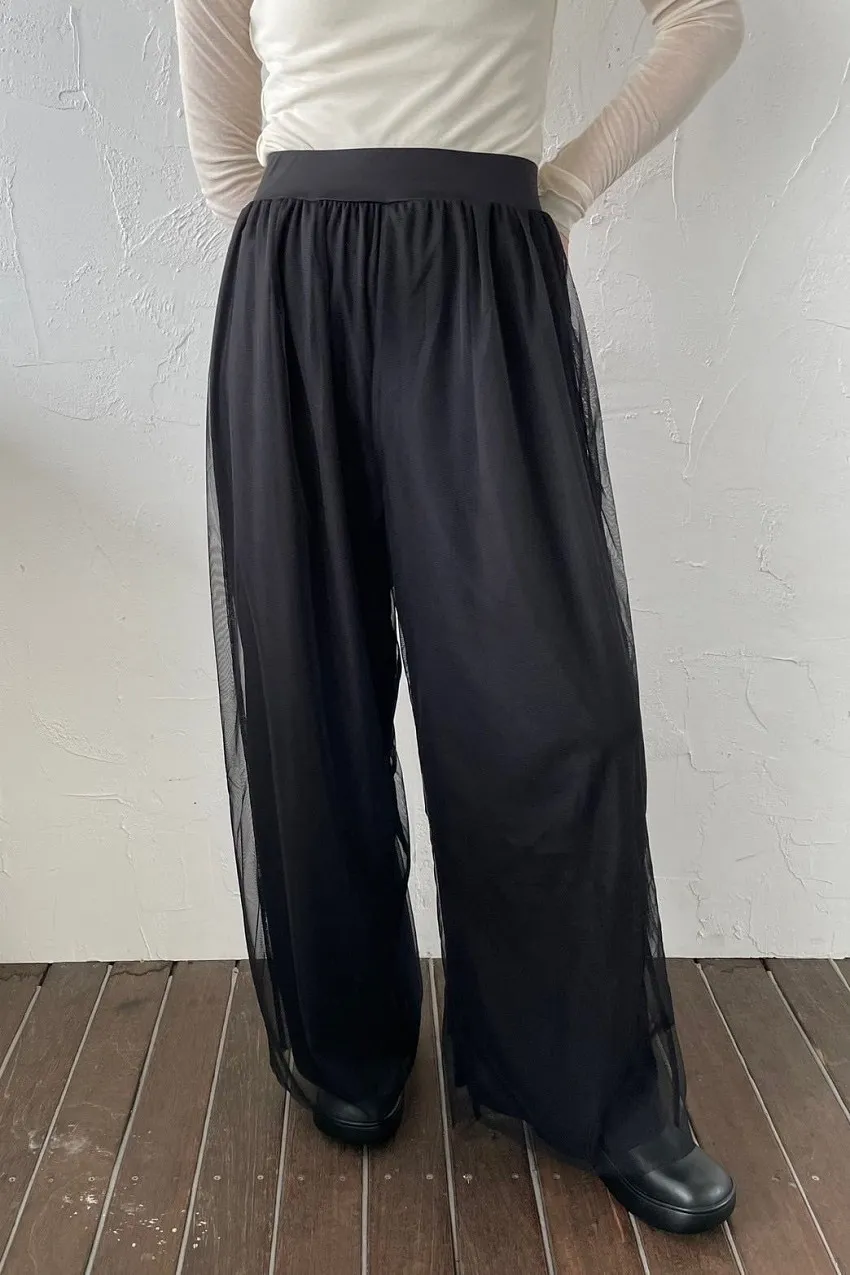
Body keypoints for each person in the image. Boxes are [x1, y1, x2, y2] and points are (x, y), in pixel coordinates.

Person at [175, 0, 744, 1236]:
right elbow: (224, 152)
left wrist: (563, 190)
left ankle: (590, 1083)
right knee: (307, 684)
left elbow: (705, 18)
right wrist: (314, 274)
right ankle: (349, 1039)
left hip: (485, 271)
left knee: (548, 704)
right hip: (294, 283)